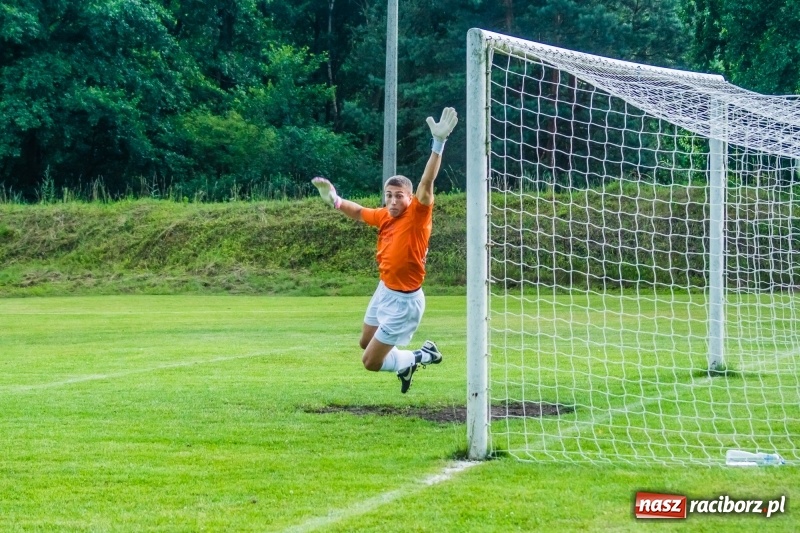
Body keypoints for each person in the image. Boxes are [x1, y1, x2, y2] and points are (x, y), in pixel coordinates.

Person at [311, 107, 458, 393]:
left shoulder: (417, 214)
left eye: (398, 196)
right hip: (385, 291)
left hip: (405, 302)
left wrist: (438, 144)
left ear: (409, 197)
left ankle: (421, 356)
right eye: (388, 195)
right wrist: (335, 200)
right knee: (365, 342)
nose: (392, 201)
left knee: (370, 361)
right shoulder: (384, 216)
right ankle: (407, 362)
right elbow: (358, 211)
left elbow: (427, 182)